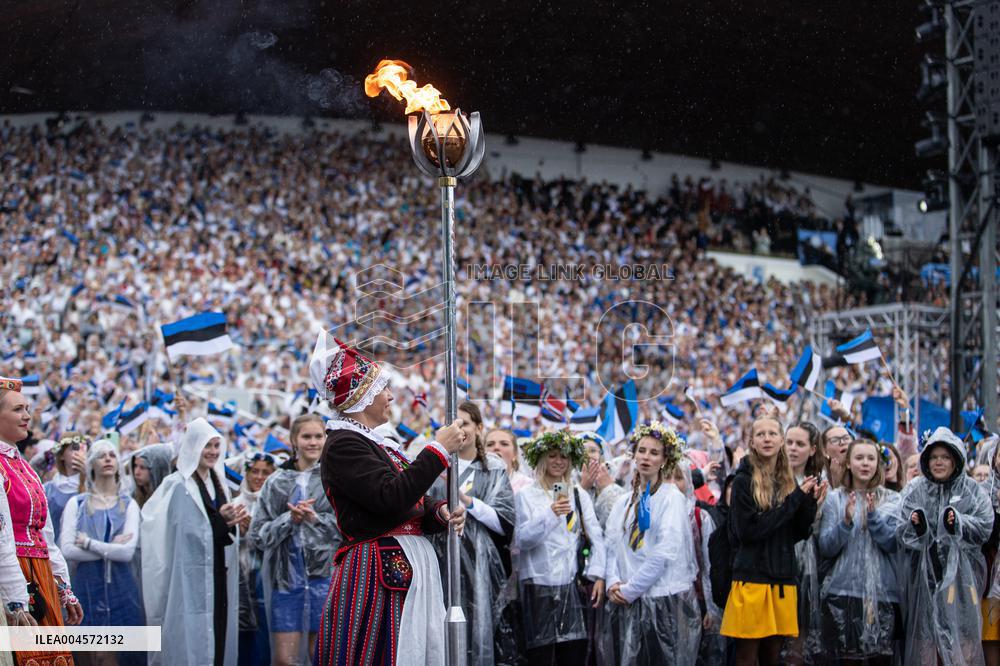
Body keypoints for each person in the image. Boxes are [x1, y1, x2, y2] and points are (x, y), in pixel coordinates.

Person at [309, 334, 466, 666]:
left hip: (404, 564)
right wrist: (437, 450)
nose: (391, 396)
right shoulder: (344, 445)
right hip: (377, 568)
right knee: (385, 652)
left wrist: (440, 512)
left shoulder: (374, 444)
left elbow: (411, 500)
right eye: (382, 389)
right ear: (361, 396)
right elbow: (390, 498)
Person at [141, 418, 247, 666]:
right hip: (187, 575)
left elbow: (216, 528)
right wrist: (220, 521)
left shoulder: (219, 483)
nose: (212, 452)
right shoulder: (178, 485)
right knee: (189, 637)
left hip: (217, 571)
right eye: (206, 445)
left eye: (216, 446)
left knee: (217, 632)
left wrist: (229, 522)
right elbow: (178, 532)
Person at [720, 415, 824, 666]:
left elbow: (795, 534)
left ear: (781, 441)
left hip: (782, 580)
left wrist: (809, 505)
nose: (767, 439)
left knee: (773, 658)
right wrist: (795, 500)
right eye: (761, 434)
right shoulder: (743, 481)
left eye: (772, 434)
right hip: (751, 580)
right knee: (746, 658)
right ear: (752, 442)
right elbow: (749, 532)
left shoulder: (786, 480)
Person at [602, 421, 701, 665]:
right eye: (642, 451)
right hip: (627, 598)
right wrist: (613, 582)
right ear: (634, 455)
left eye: (654, 453)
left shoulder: (671, 498)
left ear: (664, 460)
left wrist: (630, 590)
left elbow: (664, 552)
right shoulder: (624, 502)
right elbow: (611, 546)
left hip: (661, 598)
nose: (646, 457)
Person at [0, 378, 82, 666]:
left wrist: (63, 587)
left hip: (40, 575)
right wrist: (15, 600)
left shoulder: (23, 466)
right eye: (17, 409)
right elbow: (2, 539)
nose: (26, 416)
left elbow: (46, 535)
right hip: (13, 576)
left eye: (27, 408)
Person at [428, 401, 516, 665]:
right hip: (442, 559)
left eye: (464, 423)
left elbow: (504, 522)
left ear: (479, 428)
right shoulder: (435, 464)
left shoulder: (493, 467)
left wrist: (468, 502)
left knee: (479, 626)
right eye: (452, 424)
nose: (458, 429)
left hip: (480, 562)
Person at [249, 414, 339, 666]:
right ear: (294, 440)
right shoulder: (276, 482)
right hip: (286, 582)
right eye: (306, 436)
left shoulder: (334, 478)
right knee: (284, 660)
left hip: (324, 578)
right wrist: (289, 519)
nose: (313, 442)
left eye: (318, 436)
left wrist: (315, 519)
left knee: (321, 656)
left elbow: (347, 529)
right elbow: (257, 534)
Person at [898, 426, 992, 665]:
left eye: (945, 457)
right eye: (934, 457)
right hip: (923, 583)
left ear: (955, 460)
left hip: (962, 583)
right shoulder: (915, 490)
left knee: (963, 645)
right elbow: (899, 528)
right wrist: (918, 527)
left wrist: (958, 523)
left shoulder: (971, 490)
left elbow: (985, 526)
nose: (939, 462)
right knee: (925, 645)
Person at [515, 430, 605, 665]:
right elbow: (522, 540)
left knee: (573, 654)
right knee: (540, 655)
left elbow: (596, 536)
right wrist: (550, 514)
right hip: (538, 587)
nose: (558, 461)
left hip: (572, 585)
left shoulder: (578, 494)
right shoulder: (526, 495)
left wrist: (598, 575)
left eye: (564, 456)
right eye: (552, 455)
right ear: (541, 458)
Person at [58, 439, 144, 666]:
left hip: (121, 591)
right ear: (91, 464)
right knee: (88, 656)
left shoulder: (129, 505)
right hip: (86, 588)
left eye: (112, 455)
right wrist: (111, 547)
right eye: (101, 455)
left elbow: (127, 553)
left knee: (115, 658)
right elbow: (67, 549)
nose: (107, 459)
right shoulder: (76, 504)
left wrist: (88, 543)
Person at [818, 439, 902, 664]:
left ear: (878, 463)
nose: (865, 463)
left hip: (883, 594)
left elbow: (893, 543)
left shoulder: (893, 499)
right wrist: (846, 522)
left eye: (871, 458)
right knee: (849, 659)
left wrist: (873, 518)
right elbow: (826, 547)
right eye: (859, 458)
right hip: (844, 592)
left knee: (881, 659)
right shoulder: (835, 499)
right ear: (848, 463)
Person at [782, 421, 825, 665]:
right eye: (789, 442)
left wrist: (814, 511)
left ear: (812, 449)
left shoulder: (818, 484)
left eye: (800, 444)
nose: (793, 448)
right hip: (774, 563)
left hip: (806, 565)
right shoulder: (770, 479)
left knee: (799, 634)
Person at [233, 450, 276, 666]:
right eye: (255, 471)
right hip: (238, 575)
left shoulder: (274, 502)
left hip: (264, 576)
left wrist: (257, 531)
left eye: (265, 472)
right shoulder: (235, 503)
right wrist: (238, 533)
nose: (259, 477)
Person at [43, 433, 90, 537]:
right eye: (74, 448)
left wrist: (88, 474)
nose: (80, 453)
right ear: (62, 456)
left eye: (83, 448)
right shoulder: (47, 489)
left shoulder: (93, 485)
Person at [577, 431, 626, 529]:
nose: (588, 455)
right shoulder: (568, 478)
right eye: (582, 451)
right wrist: (583, 488)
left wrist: (607, 488)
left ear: (601, 455)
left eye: (592, 451)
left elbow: (620, 518)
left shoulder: (612, 475)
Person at [485, 427, 534, 494]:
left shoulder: (528, 485)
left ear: (515, 454)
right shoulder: (474, 482)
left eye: (504, 444)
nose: (496, 447)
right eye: (490, 444)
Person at [130, 443, 174, 508]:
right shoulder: (133, 498)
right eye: (135, 466)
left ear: (156, 469)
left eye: (142, 467)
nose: (136, 472)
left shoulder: (169, 499)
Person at [822, 425, 852, 489]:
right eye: (835, 440)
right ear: (824, 451)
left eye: (846, 438)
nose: (842, 442)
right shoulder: (820, 479)